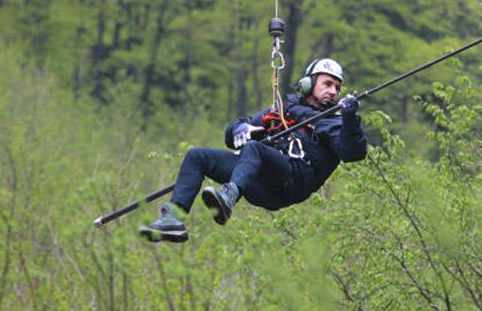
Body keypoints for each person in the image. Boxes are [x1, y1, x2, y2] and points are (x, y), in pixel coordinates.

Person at [140, 58, 367, 242]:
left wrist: (350, 118)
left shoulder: (335, 122)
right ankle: (173, 218)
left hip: (291, 181)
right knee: (197, 156)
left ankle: (229, 196)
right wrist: (239, 128)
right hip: (259, 180)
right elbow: (233, 135)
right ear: (309, 84)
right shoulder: (284, 108)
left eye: (336, 87)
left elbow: (353, 152)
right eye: (327, 84)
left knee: (254, 149)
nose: (333, 91)